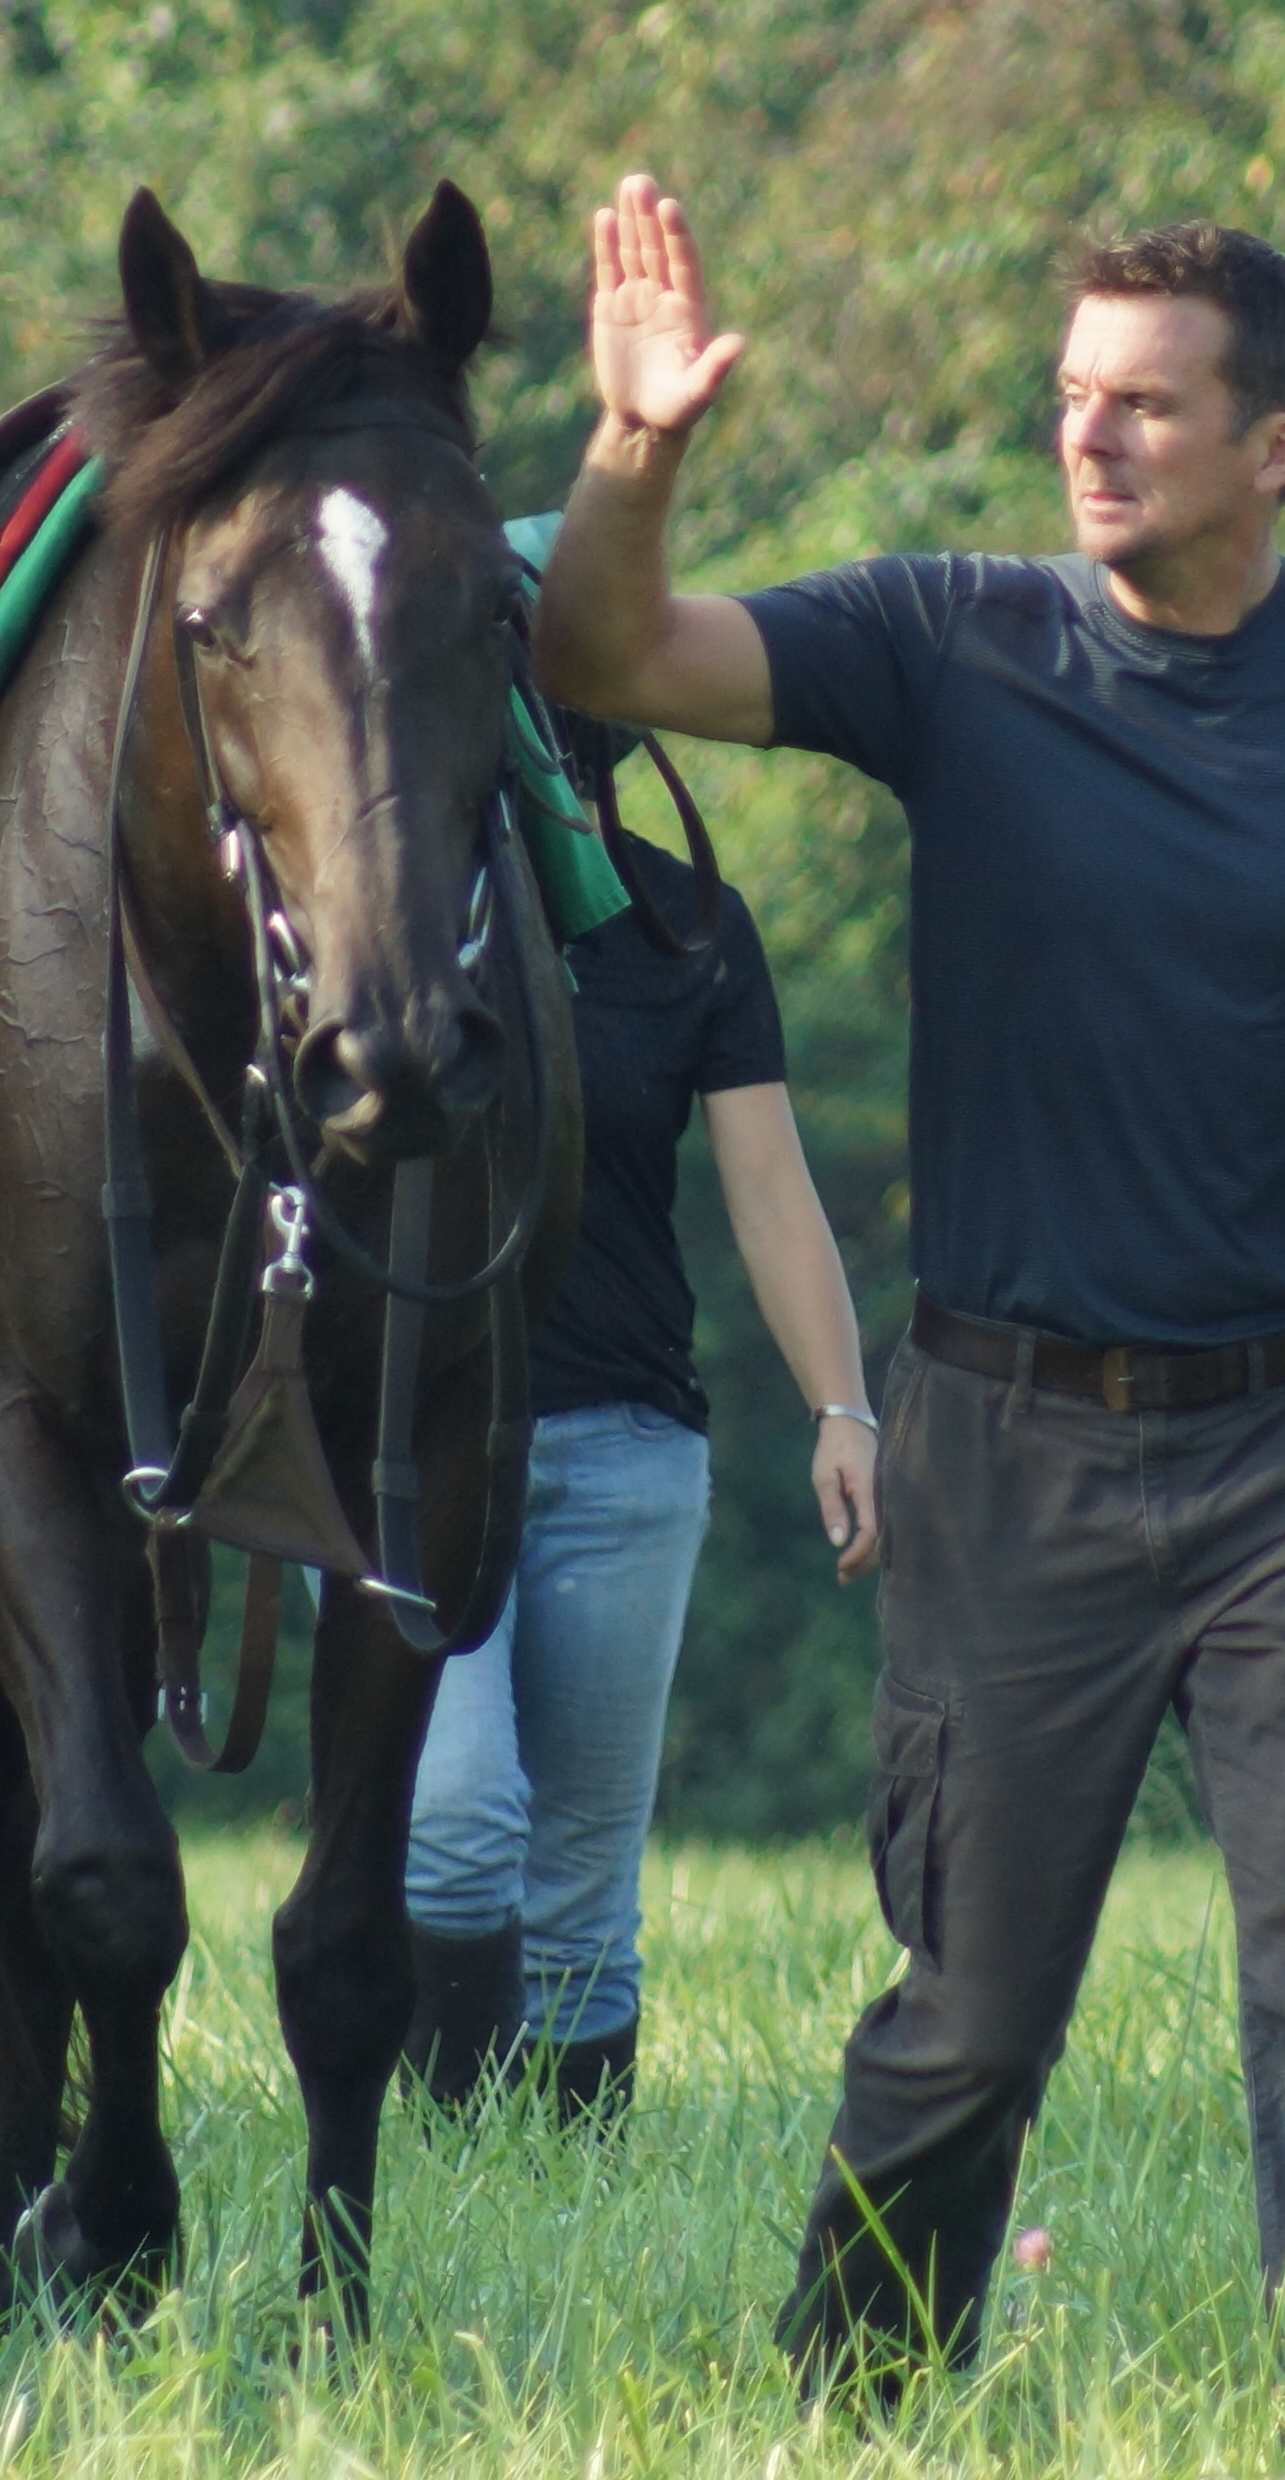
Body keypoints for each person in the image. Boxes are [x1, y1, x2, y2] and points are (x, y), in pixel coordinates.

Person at [534, 177, 1285, 2394]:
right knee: (968, 2023)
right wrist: (636, 447)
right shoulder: (952, 641)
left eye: (1146, 404)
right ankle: (858, 2407)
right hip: (1003, 1445)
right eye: (1073, 394)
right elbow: (604, 656)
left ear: (1279, 445)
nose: (1091, 434)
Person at [395, 711, 880, 2122]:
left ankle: (567, 2192)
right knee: (458, 1820)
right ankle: (443, 2158)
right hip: (407, 1442)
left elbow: (770, 1190)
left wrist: (843, 1407)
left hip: (628, 1446)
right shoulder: (386, 920)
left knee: (584, 1893)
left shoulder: (688, 928)